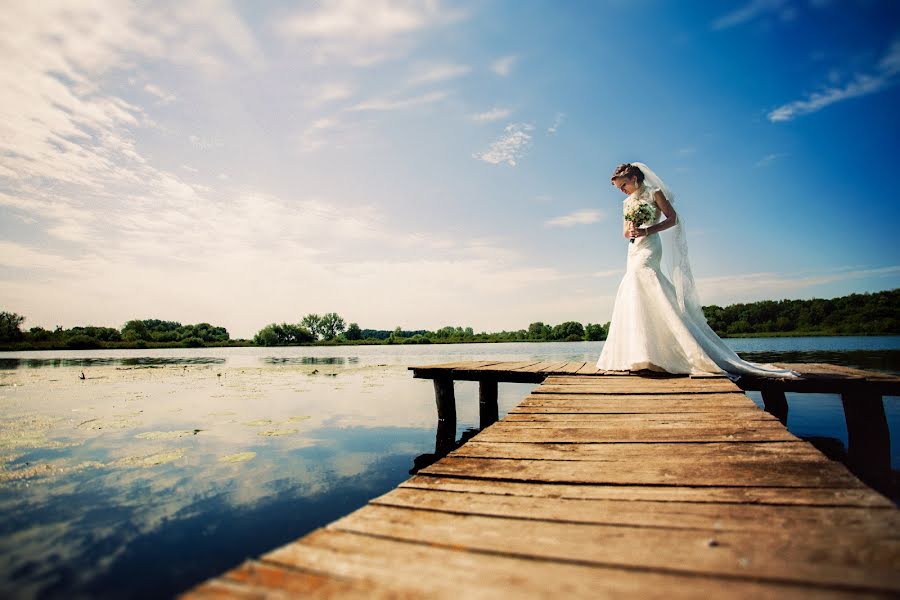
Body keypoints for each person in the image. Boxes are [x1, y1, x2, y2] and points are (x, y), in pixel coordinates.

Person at [596, 162, 796, 378]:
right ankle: (641, 355)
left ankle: (675, 350)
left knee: (645, 278)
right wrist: (633, 230)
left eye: (622, 185)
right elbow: (626, 232)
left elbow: (673, 219)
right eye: (618, 188)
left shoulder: (655, 193)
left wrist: (649, 230)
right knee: (634, 288)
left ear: (634, 179)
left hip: (650, 247)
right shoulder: (627, 203)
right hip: (634, 249)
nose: (621, 191)